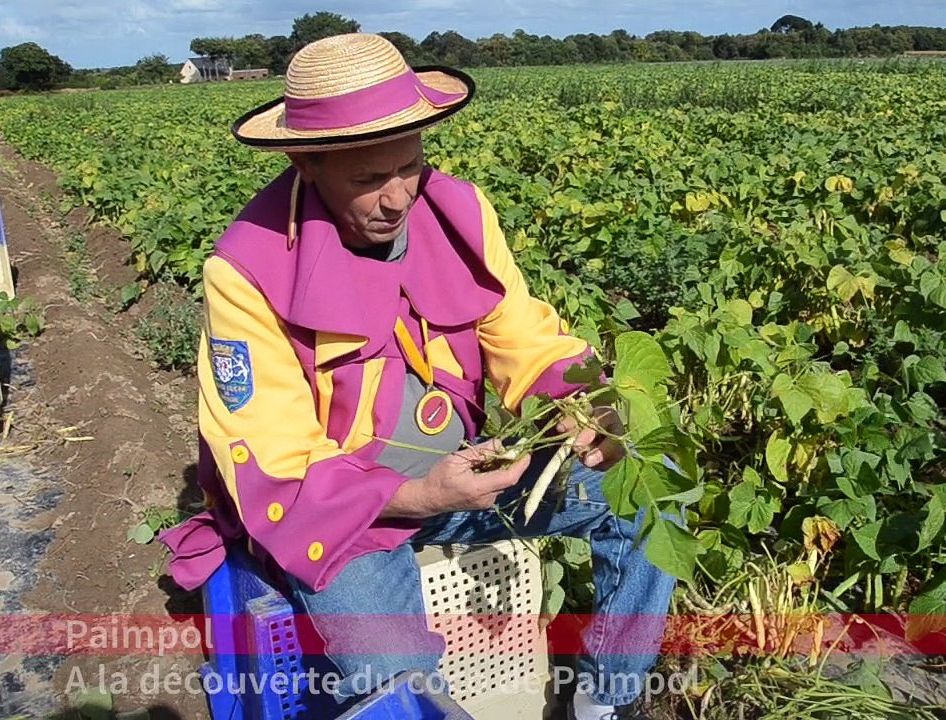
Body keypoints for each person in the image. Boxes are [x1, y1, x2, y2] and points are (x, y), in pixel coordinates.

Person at [158, 33, 676, 720]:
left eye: (409, 166)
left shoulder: (458, 212)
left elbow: (522, 334)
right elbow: (274, 456)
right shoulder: (247, 269)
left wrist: (583, 403)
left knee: (648, 491)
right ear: (305, 163)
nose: (398, 197)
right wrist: (417, 494)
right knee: (397, 682)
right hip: (347, 519)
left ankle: (607, 700)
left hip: (469, 476)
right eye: (367, 180)